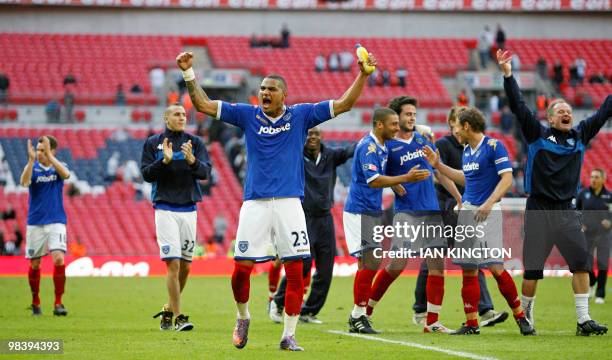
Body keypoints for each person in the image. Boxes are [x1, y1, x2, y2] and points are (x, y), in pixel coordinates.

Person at [177, 48, 377, 351]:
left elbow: (345, 104)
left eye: (271, 89)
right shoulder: (247, 114)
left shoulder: (301, 115)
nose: (265, 93)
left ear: (284, 94)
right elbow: (203, 104)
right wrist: (188, 73)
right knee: (241, 268)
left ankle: (288, 334)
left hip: (289, 204)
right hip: (255, 203)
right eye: (262, 89)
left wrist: (362, 74)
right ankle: (243, 316)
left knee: (297, 270)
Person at [498, 49, 610, 336]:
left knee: (582, 264)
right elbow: (518, 105)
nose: (567, 114)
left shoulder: (580, 136)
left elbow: (604, 111)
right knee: (533, 269)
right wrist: (508, 75)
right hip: (538, 209)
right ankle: (527, 318)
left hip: (567, 211)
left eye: (569, 112)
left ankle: (584, 320)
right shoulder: (536, 133)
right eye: (561, 111)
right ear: (549, 117)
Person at [424, 108, 535, 336]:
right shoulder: (467, 150)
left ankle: (520, 317)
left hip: (488, 213)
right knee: (469, 270)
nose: (454, 131)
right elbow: (467, 177)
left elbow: (507, 179)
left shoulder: (493, 146)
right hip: (467, 212)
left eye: (457, 127)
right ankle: (472, 323)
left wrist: (488, 203)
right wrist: (438, 165)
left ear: (466, 126)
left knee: (495, 267)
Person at [364, 96, 461, 334]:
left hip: (431, 211)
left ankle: (432, 322)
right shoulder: (388, 146)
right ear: (397, 118)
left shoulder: (423, 140)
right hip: (407, 212)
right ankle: (365, 311)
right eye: (408, 114)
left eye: (414, 115)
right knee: (397, 265)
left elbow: (439, 172)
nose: (412, 118)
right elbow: (378, 176)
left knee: (438, 265)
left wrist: (459, 198)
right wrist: (394, 185)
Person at [412, 105, 509, 328]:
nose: (458, 128)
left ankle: (484, 310)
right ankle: (421, 309)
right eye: (456, 122)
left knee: (469, 256)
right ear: (452, 124)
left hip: (463, 204)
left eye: (461, 123)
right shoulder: (445, 145)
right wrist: (457, 198)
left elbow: (469, 178)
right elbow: (438, 174)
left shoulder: (473, 148)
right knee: (434, 257)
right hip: (444, 203)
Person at [344, 107, 431, 334]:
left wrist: (393, 183)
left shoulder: (382, 146)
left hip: (371, 210)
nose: (397, 128)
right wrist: (405, 177)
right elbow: (372, 180)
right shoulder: (368, 147)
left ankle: (359, 315)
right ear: (379, 125)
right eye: (393, 124)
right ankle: (357, 315)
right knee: (372, 262)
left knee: (367, 263)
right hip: (359, 210)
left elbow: (377, 175)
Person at [269, 127, 355, 324]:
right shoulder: (295, 157)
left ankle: (309, 311)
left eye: (316, 134)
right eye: (309, 134)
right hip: (302, 216)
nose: (313, 137)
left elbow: (352, 150)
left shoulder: (330, 155)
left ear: (322, 137)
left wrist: (374, 138)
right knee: (303, 264)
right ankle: (278, 301)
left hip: (325, 218)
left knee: (326, 269)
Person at [142, 103, 212, 332]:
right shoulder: (154, 143)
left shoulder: (195, 142)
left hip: (189, 209)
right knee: (172, 264)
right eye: (177, 114)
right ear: (166, 117)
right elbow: (146, 174)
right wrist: (164, 161)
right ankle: (180, 317)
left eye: (184, 114)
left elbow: (205, 173)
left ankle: (168, 309)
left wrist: (192, 161)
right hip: (165, 208)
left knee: (185, 267)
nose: (182, 117)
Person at [19, 136, 70, 316]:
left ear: (52, 150)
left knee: (58, 259)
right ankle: (35, 302)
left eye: (43, 150)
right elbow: (24, 183)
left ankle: (58, 303)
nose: (39, 153)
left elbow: (66, 175)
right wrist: (31, 161)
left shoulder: (58, 166)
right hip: (35, 222)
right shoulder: (32, 168)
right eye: (38, 150)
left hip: (57, 220)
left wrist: (50, 156)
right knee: (35, 264)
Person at [576, 169, 611, 305]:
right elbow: (575, 212)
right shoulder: (583, 194)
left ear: (603, 179)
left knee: (602, 264)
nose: (593, 179)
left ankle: (600, 293)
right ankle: (592, 282)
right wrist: (580, 224)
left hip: (604, 235)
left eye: (596, 177)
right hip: (587, 234)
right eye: (591, 177)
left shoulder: (609, 196)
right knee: (585, 262)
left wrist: (610, 222)